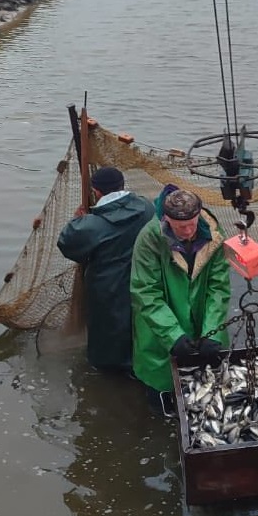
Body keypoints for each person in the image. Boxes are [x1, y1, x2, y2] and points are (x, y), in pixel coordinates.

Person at [130, 186, 231, 410]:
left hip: (203, 317)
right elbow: (146, 292)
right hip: (161, 325)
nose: (187, 231)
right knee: (162, 386)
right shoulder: (149, 239)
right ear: (166, 218)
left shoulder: (215, 235)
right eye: (180, 227)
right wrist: (173, 336)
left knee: (213, 390)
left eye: (192, 224)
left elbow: (218, 287)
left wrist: (212, 330)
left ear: (199, 215)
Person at [56, 166, 155, 372]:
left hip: (107, 286)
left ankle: (109, 371)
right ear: (122, 186)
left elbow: (67, 244)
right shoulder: (147, 208)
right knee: (139, 323)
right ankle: (138, 365)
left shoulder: (92, 225)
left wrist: (77, 220)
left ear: (96, 191)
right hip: (144, 279)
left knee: (108, 330)